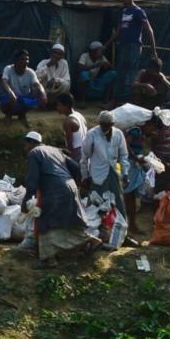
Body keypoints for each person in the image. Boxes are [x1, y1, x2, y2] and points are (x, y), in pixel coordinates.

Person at [21, 131, 100, 269]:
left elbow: (32, 180)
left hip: (54, 190)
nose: (25, 148)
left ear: (31, 143)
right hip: (70, 187)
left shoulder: (34, 153)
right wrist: (74, 185)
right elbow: (76, 168)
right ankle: (89, 240)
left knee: (44, 221)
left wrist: (26, 199)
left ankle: (49, 260)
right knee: (70, 220)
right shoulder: (56, 150)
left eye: (26, 144)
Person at [104, 0, 157, 103]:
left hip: (133, 46)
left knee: (132, 75)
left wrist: (154, 50)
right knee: (120, 75)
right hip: (123, 45)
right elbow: (118, 31)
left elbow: (149, 29)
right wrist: (107, 44)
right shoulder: (123, 12)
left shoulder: (138, 11)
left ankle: (130, 102)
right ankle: (115, 102)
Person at [81, 110, 128, 216]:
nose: (104, 128)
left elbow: (124, 155)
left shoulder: (118, 134)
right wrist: (85, 175)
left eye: (106, 125)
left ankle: (120, 226)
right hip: (97, 173)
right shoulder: (92, 135)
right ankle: (93, 229)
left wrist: (125, 173)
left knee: (118, 201)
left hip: (113, 173)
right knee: (95, 202)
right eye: (102, 125)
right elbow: (84, 156)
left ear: (112, 124)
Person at [0, 50, 46, 123]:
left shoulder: (30, 72)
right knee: (6, 96)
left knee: (36, 94)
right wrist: (11, 93)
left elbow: (37, 84)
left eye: (27, 59)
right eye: (22, 59)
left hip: (24, 98)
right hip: (12, 97)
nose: (26, 62)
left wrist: (43, 94)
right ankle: (8, 115)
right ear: (15, 61)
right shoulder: (8, 69)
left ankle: (22, 115)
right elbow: (4, 81)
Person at [57, 93, 88, 163]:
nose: (57, 108)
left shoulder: (68, 122)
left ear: (66, 106)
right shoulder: (80, 115)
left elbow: (70, 145)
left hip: (76, 153)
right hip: (86, 151)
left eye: (59, 105)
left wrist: (69, 158)